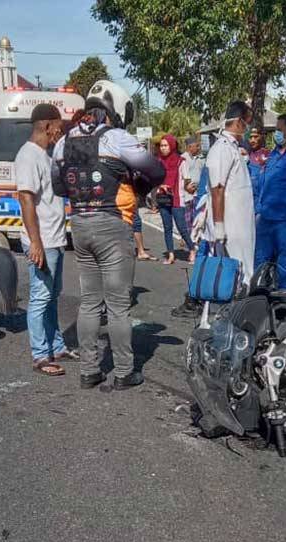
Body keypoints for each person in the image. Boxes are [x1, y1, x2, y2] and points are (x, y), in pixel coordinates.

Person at [52, 80, 165, 390]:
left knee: (89, 302)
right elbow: (156, 171)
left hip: (80, 226)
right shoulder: (117, 138)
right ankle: (124, 371)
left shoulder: (64, 142)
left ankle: (89, 370)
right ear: (115, 107)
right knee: (117, 305)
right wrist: (134, 181)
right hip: (112, 226)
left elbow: (58, 186)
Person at [16, 104, 73, 377]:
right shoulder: (28, 156)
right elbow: (26, 199)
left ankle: (57, 346)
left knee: (52, 297)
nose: (59, 132)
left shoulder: (44, 154)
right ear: (46, 125)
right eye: (57, 127)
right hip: (43, 241)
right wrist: (35, 243)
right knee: (40, 298)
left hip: (55, 238)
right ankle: (40, 355)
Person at [207, 100, 257, 283]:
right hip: (231, 226)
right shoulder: (222, 148)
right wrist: (219, 225)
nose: (248, 127)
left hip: (241, 225)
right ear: (238, 122)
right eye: (247, 122)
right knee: (235, 274)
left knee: (242, 271)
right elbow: (217, 188)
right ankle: (234, 310)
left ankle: (238, 308)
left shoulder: (234, 148)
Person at [254, 113, 286, 288]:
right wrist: (258, 209)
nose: (276, 133)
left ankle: (285, 307)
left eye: (279, 130)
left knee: (285, 267)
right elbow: (263, 182)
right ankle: (258, 303)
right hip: (266, 218)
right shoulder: (273, 154)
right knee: (260, 264)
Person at [156, 134, 195, 264]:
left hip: (177, 199)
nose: (163, 148)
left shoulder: (181, 162)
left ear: (172, 146)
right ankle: (171, 255)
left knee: (181, 227)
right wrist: (161, 185)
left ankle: (192, 249)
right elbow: (153, 179)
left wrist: (190, 188)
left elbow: (187, 179)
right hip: (163, 198)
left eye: (166, 145)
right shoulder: (158, 161)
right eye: (161, 146)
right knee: (167, 228)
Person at [180, 136, 204, 228]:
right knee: (187, 218)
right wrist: (187, 187)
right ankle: (185, 238)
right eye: (196, 146)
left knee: (196, 218)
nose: (198, 148)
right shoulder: (183, 159)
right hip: (187, 194)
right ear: (190, 147)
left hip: (198, 193)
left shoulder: (201, 158)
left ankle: (194, 239)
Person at [247, 128, 269, 212]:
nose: (253, 140)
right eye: (250, 137)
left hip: (261, 206)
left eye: (256, 137)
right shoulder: (245, 155)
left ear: (262, 137)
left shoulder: (268, 156)